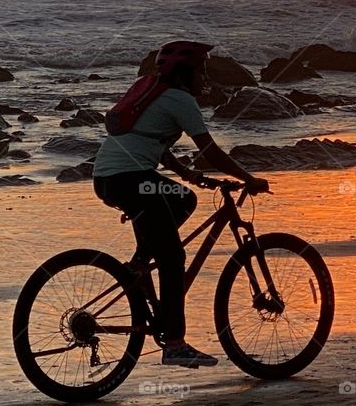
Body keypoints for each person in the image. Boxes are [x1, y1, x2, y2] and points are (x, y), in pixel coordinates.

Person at [92, 40, 269, 368]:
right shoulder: (180, 99)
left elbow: (153, 141)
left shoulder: (155, 92)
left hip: (108, 178)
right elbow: (210, 150)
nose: (204, 76)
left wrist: (187, 174)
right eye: (202, 70)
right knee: (173, 256)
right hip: (133, 180)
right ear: (186, 73)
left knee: (184, 197)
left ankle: (139, 265)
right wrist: (248, 178)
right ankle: (174, 343)